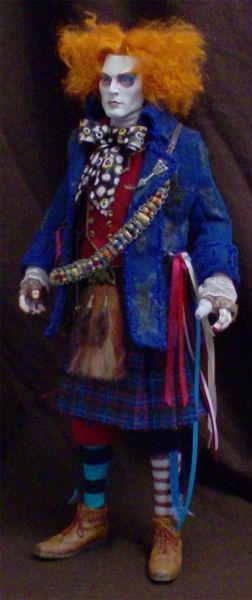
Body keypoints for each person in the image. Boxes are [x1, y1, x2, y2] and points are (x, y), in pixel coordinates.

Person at [18, 15, 239, 582]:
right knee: (88, 415)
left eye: (127, 80)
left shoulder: (182, 147)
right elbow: (59, 215)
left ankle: (167, 525)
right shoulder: (81, 143)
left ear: (154, 83)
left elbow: (212, 223)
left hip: (156, 304)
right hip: (95, 303)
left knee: (163, 421)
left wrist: (219, 282)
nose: (113, 91)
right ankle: (91, 516)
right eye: (106, 80)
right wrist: (36, 268)